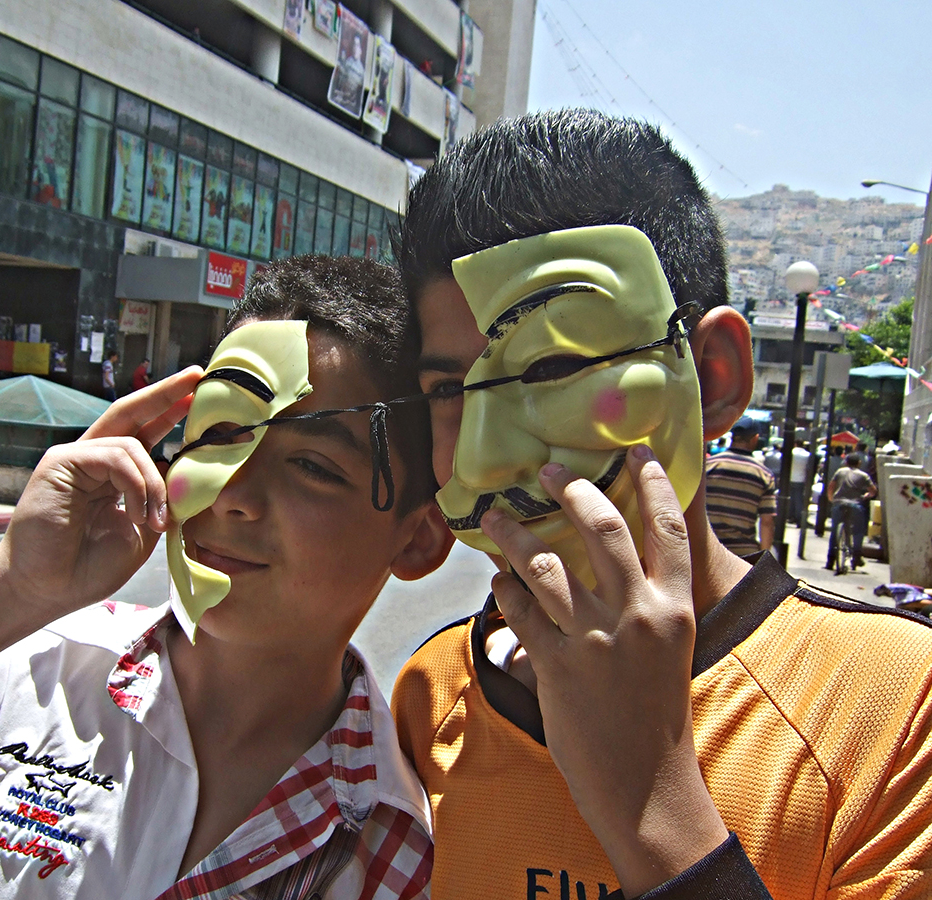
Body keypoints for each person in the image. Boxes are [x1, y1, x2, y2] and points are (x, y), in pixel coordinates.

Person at [0, 255, 451, 899]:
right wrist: (10, 589)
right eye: (216, 435)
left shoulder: (393, 842)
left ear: (418, 536)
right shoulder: (45, 665)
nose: (231, 491)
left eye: (313, 467)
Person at [391, 110, 932, 899]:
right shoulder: (431, 695)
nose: (481, 456)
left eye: (548, 372)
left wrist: (652, 802)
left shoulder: (894, 712)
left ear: (712, 378)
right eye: (446, 392)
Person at [704, 416, 777, 557]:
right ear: (755, 438)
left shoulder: (708, 466)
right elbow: (767, 521)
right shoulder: (763, 474)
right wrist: (764, 556)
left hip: (707, 549)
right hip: (743, 554)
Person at [825, 452, 877, 571]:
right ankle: (857, 555)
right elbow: (873, 491)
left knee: (834, 531)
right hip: (855, 504)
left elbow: (831, 487)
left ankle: (830, 560)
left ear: (846, 462)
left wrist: (831, 499)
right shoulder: (864, 475)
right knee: (859, 530)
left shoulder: (840, 472)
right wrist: (866, 496)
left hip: (839, 504)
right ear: (859, 463)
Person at [786, 440, 812, 524]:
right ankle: (798, 516)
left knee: (790, 498)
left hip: (789, 478)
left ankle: (790, 515)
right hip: (800, 479)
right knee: (798, 499)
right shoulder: (807, 455)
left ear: (795, 444)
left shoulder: (791, 452)